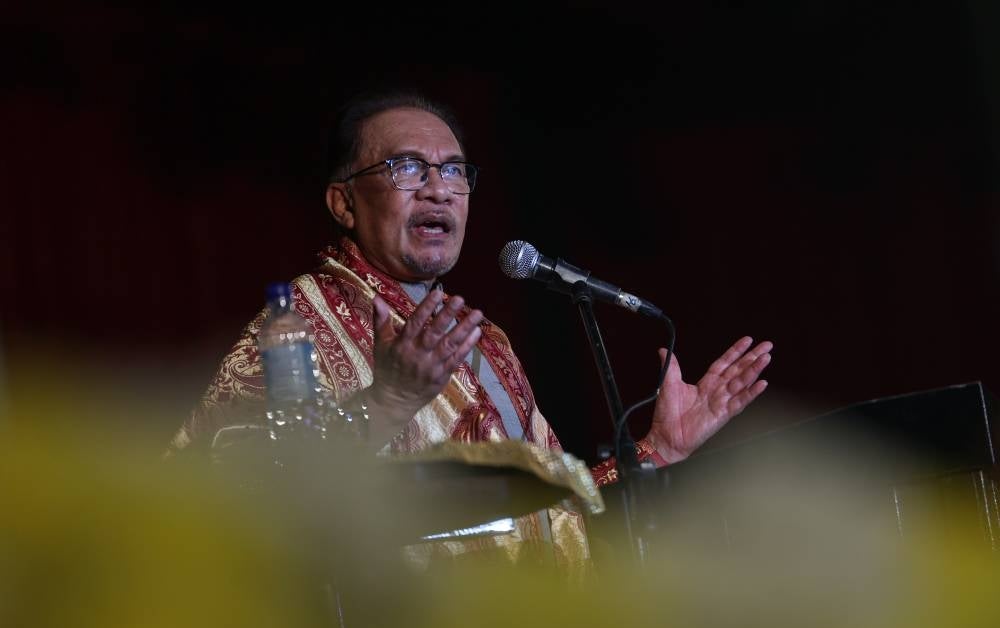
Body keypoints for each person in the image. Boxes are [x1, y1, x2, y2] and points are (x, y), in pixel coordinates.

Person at [169, 89, 772, 569]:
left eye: (455, 171)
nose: (439, 188)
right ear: (343, 203)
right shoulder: (297, 325)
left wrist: (657, 451)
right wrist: (389, 400)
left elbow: (556, 516)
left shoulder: (485, 344)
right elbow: (228, 505)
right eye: (407, 167)